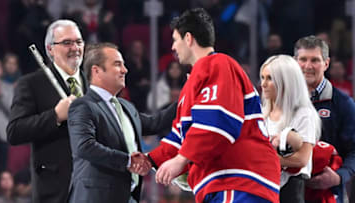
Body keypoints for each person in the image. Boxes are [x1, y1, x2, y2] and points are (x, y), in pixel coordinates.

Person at [147, 8, 281, 203]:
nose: (173, 48)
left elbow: (218, 122)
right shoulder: (193, 84)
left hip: (237, 179)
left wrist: (181, 159)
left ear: (189, 38)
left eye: (175, 40)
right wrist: (149, 160)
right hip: (227, 182)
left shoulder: (216, 64)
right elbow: (180, 138)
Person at [67, 42, 176, 203]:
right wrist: (129, 161)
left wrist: (187, 96)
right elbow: (84, 146)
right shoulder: (83, 106)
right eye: (117, 65)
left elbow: (155, 123)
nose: (125, 70)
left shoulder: (126, 107)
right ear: (96, 71)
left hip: (127, 197)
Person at [6, 19, 88, 203]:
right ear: (50, 49)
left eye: (79, 42)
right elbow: (15, 131)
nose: (75, 48)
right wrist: (55, 116)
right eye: (67, 42)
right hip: (56, 190)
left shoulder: (95, 83)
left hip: (95, 189)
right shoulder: (31, 84)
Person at [294, 35, 355, 203]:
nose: (308, 66)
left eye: (315, 60)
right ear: (294, 62)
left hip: (330, 195)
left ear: (326, 63)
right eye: (303, 59)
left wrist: (338, 177)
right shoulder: (283, 101)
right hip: (290, 192)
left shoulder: (343, 103)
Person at [260, 55, 321, 203]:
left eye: (270, 78)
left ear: (286, 82)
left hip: (291, 190)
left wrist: (263, 159)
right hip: (264, 186)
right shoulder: (261, 114)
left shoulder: (303, 114)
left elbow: (302, 159)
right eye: (262, 78)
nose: (263, 84)